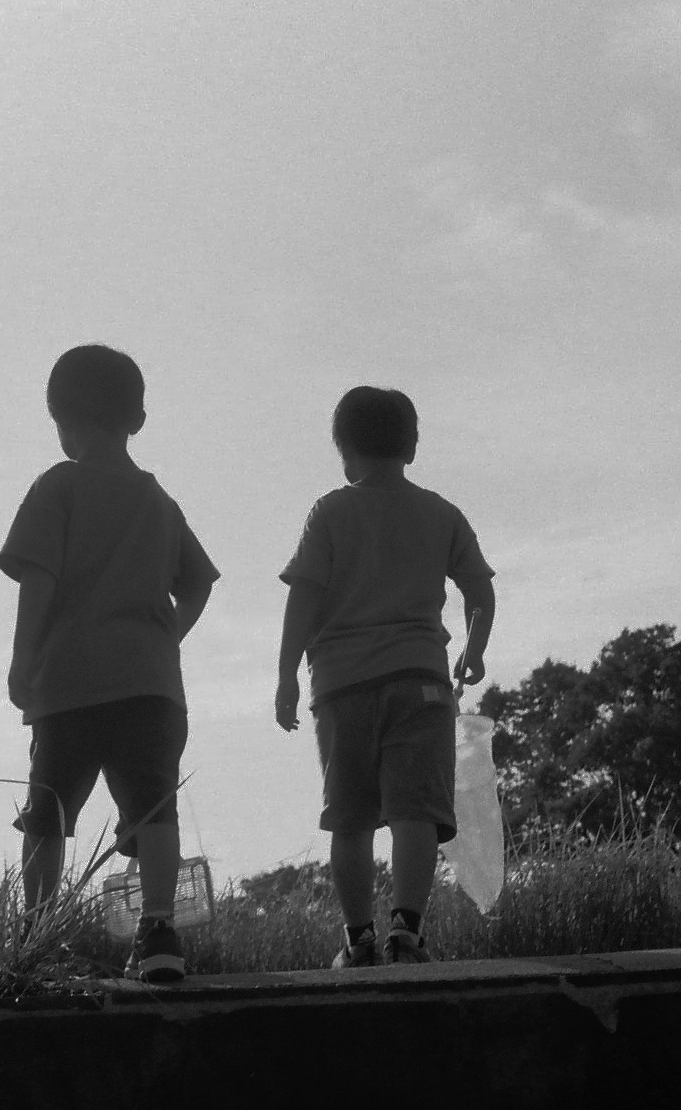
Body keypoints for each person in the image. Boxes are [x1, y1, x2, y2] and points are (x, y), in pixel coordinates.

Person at [0, 343, 218, 983]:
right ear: (137, 420)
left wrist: (22, 659)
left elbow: (38, 579)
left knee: (48, 814)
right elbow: (198, 584)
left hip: (69, 684)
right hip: (150, 687)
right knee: (154, 810)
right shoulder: (158, 501)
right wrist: (164, 639)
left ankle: (37, 936)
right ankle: (158, 931)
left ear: (61, 420)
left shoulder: (58, 486)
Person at [275, 386, 495, 968]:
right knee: (415, 811)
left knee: (349, 819)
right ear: (412, 447)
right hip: (421, 680)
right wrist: (473, 651)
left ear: (344, 451)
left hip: (342, 685)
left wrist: (286, 675)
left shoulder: (330, 512)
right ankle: (407, 932)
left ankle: (358, 940)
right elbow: (479, 592)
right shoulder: (442, 513)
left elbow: (303, 599)